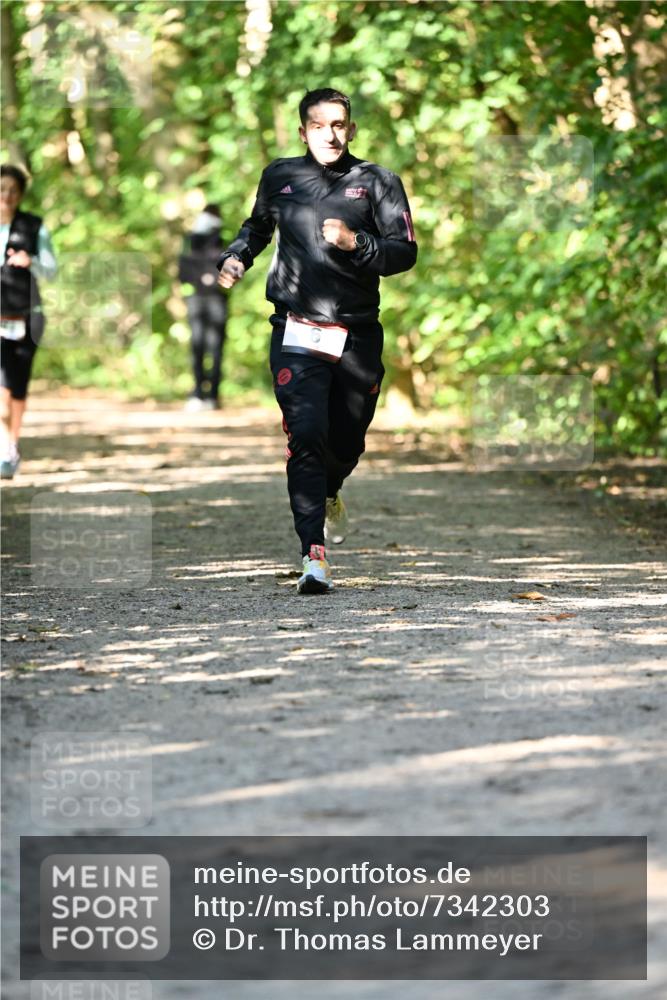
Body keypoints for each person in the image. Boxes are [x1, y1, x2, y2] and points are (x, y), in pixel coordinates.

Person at [217, 88, 417, 594]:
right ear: (303, 131)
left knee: (347, 440)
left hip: (356, 334)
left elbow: (405, 252)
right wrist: (237, 255)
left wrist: (358, 242)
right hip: (296, 328)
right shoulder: (280, 176)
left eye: (339, 124)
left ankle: (332, 489)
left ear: (350, 130)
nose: (329, 133)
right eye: (318, 124)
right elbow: (257, 227)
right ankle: (313, 557)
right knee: (305, 432)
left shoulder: (377, 181)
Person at [1, 164, 57, 479]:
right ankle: (2, 447)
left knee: (17, 387)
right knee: (1, 387)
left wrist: (31, 261)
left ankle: (11, 445)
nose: (6, 196)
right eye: (2, 189)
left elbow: (52, 270)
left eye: (13, 190)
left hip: (27, 317)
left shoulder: (34, 227)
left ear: (20, 194)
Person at [178, 204, 228, 410]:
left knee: (215, 346)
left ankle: (213, 395)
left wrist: (212, 278)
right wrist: (205, 278)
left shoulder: (223, 242)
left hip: (217, 299)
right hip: (197, 300)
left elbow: (228, 269)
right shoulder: (190, 242)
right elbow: (183, 272)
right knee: (197, 345)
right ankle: (198, 391)